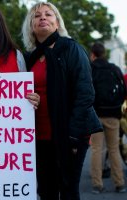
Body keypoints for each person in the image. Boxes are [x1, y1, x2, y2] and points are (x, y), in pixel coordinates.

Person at [22, 2, 102, 200]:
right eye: (37, 15)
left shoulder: (72, 49)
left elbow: (85, 94)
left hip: (68, 136)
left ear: (57, 23)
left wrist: (74, 136)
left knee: (68, 191)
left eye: (49, 14)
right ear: (31, 26)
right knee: (46, 192)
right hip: (39, 137)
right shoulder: (29, 58)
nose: (42, 17)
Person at [89, 42, 126, 194]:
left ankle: (97, 185)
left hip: (95, 115)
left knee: (97, 149)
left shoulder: (90, 69)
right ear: (104, 53)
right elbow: (123, 91)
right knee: (114, 149)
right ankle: (119, 184)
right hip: (113, 115)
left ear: (93, 54)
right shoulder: (115, 69)